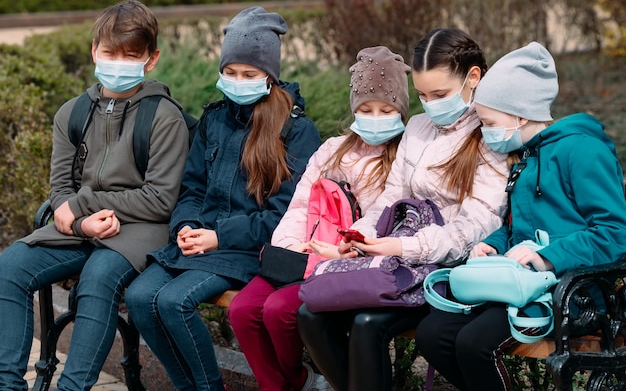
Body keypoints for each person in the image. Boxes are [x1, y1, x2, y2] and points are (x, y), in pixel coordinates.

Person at [297, 28, 511, 391]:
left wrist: (403, 248)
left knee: (367, 323)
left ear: (473, 77)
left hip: (446, 267)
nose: (430, 105)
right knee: (311, 314)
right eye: (423, 95)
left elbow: (476, 224)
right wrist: (362, 234)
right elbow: (390, 200)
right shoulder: (418, 126)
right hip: (397, 259)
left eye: (440, 94)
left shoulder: (489, 132)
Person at [124, 6, 321, 391]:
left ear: (270, 76)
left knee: (173, 303)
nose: (237, 81)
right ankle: (190, 386)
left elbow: (285, 215)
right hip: (199, 243)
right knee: (139, 296)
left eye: (249, 74)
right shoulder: (213, 120)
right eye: (230, 72)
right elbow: (192, 187)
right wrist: (185, 225)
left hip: (246, 250)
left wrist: (219, 236)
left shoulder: (296, 131)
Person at [414, 41, 626, 391]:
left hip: (573, 293)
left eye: (489, 122)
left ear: (520, 114)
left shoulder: (581, 151)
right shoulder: (526, 158)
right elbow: (515, 227)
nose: (484, 131)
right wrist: (491, 244)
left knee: (473, 343)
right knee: (433, 334)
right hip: (520, 286)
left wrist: (546, 257)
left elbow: (614, 232)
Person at [0, 0, 189, 391]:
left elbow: (160, 199)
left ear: (150, 60)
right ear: (94, 52)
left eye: (130, 55)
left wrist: (85, 205)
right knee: (11, 267)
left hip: (141, 229)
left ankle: (73, 387)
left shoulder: (165, 117)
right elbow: (60, 189)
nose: (117, 63)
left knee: (99, 278)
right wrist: (82, 220)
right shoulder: (71, 113)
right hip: (82, 226)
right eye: (109, 53)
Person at [227, 46, 411, 391]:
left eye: (386, 109)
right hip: (301, 254)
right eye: (366, 109)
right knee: (242, 310)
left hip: (342, 260)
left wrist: (340, 249)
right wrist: (291, 245)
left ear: (400, 110)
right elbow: (300, 204)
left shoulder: (403, 159)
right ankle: (283, 383)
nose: (375, 117)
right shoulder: (332, 150)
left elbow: (384, 217)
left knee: (279, 310)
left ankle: (293, 378)